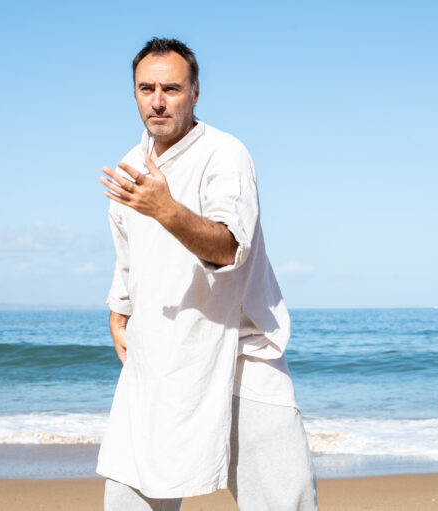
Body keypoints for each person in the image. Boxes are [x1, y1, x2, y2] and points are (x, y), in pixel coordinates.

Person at [97, 37, 318, 511]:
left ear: (195, 92)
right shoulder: (130, 167)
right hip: (159, 357)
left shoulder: (225, 154)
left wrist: (166, 209)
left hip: (239, 354)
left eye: (172, 89)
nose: (158, 101)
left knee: (284, 502)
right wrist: (119, 309)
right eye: (146, 89)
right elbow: (128, 256)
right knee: (129, 502)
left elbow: (229, 246)